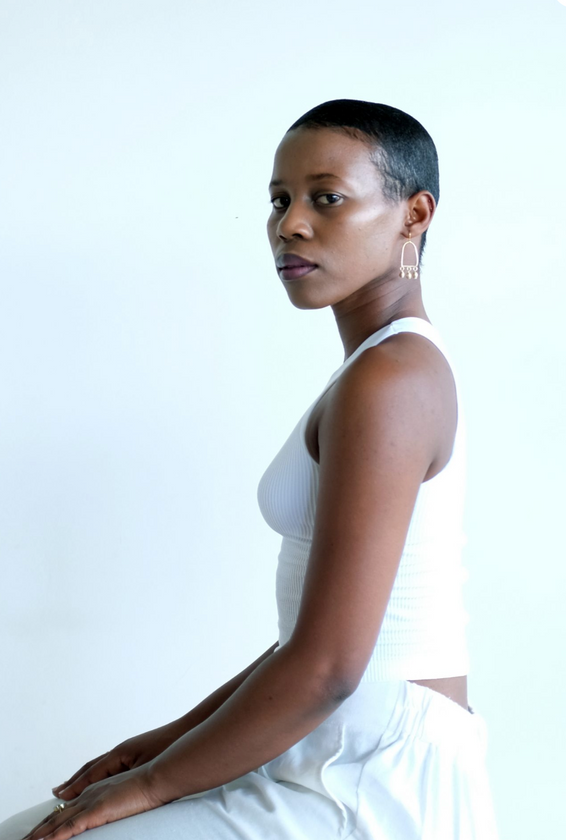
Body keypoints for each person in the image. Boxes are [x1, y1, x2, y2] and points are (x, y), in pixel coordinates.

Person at [0, 98, 499, 840]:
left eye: (326, 198)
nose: (289, 224)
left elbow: (331, 667)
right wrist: (165, 743)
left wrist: (152, 784)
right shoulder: (379, 367)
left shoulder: (391, 378)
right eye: (279, 200)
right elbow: (311, 644)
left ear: (414, 215)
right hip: (325, 735)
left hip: (368, 771)